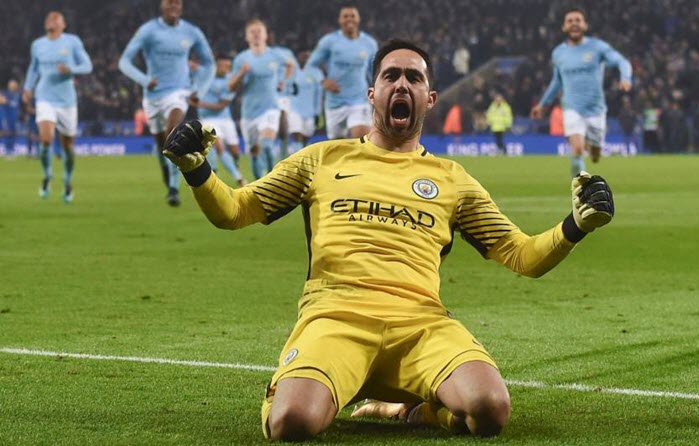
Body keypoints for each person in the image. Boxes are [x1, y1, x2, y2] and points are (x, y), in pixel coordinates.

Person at [161, 39, 615, 441]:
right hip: (335, 319)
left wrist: (575, 226)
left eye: (413, 77)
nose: (402, 84)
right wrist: (197, 171)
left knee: (490, 410)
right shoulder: (321, 159)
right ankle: (288, 391)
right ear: (372, 93)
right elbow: (236, 210)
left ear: (430, 97)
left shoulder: (452, 180)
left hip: (420, 326)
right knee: (292, 424)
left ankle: (415, 411)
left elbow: (522, 255)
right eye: (390, 75)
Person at [118, 0, 214, 206]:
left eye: (177, 2)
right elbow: (124, 61)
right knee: (162, 144)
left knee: (173, 133)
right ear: (162, 5)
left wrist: (200, 89)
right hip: (153, 97)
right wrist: (145, 80)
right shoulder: (148, 30)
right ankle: (166, 171)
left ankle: (173, 188)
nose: (174, 5)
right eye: (169, 2)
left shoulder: (192, 32)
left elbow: (210, 63)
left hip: (179, 92)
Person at [530, 7, 632, 176]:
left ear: (585, 25)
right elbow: (557, 81)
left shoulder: (597, 47)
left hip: (596, 109)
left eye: (578, 20)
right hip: (571, 107)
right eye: (570, 21)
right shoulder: (559, 53)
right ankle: (582, 188)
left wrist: (626, 78)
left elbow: (622, 62)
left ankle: (594, 149)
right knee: (577, 148)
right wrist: (542, 105)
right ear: (564, 27)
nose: (574, 24)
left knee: (595, 154)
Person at [23, 11, 92, 202]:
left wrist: (71, 69)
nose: (50, 19)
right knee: (46, 139)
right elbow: (34, 68)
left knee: (68, 146)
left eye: (56, 17)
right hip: (44, 96)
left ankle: (68, 181)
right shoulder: (37, 45)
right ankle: (47, 175)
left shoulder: (72, 42)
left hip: (67, 101)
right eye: (48, 17)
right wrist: (28, 88)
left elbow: (87, 65)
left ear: (64, 24)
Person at [228, 19, 294, 180]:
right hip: (249, 112)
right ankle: (260, 182)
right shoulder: (241, 59)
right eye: (253, 32)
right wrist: (242, 73)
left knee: (267, 145)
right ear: (247, 37)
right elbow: (230, 87)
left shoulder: (275, 55)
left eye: (259, 31)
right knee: (254, 153)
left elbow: (290, 64)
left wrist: (283, 81)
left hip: (270, 108)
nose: (256, 34)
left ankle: (273, 179)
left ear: (265, 35)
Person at [305, 6, 377, 140]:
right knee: (338, 146)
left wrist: (379, 90)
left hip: (359, 100)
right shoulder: (329, 41)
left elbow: (374, 71)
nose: (349, 19)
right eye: (345, 16)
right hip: (335, 102)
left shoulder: (369, 44)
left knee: (361, 139)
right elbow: (311, 66)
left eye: (352, 16)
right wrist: (323, 80)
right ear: (340, 20)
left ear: (358, 19)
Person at [195, 53, 245, 187]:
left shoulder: (230, 81)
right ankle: (239, 178)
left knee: (235, 152)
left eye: (229, 66)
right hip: (208, 119)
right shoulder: (204, 73)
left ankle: (232, 165)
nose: (228, 69)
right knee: (218, 146)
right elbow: (191, 67)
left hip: (225, 119)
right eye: (225, 65)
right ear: (217, 64)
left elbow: (221, 105)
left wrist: (201, 104)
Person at [288, 50, 324, 153]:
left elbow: (319, 94)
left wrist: (318, 113)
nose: (306, 59)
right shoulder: (291, 71)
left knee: (305, 136)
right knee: (296, 133)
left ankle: (300, 153)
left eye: (308, 56)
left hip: (310, 111)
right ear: (298, 56)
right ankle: (297, 157)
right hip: (294, 109)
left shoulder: (316, 73)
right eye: (304, 56)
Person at [1, 80, 21, 156]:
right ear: (9, 86)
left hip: (15, 117)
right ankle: (7, 150)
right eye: (12, 85)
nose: (13, 86)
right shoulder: (5, 93)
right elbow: (1, 100)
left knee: (13, 133)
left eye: (15, 85)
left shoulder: (18, 94)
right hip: (6, 116)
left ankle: (12, 149)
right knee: (7, 133)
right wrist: (7, 101)